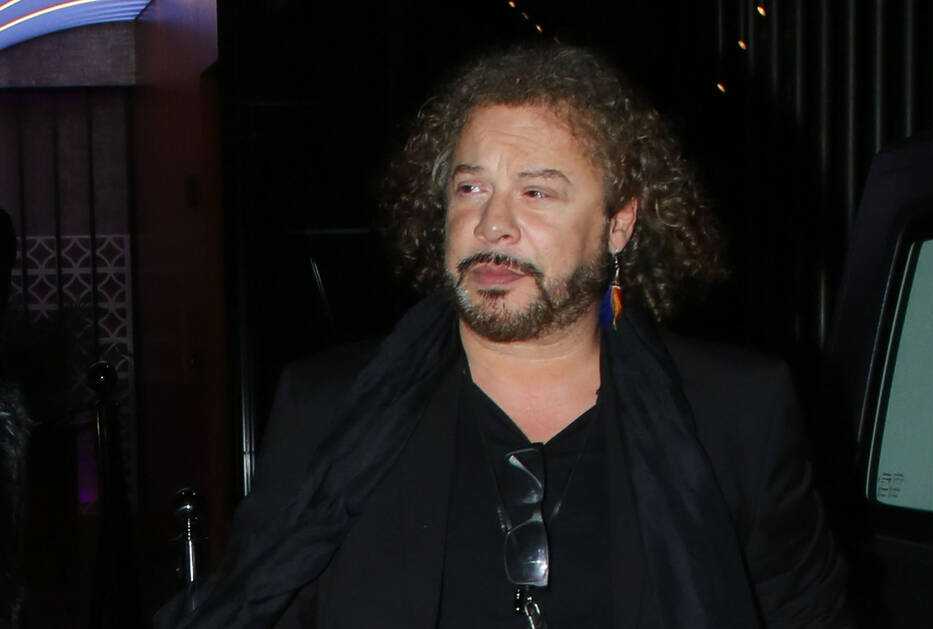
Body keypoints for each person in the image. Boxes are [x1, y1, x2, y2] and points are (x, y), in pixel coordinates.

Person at [159, 44, 850, 628]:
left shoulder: (735, 415)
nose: (492, 224)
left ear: (618, 224)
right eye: (470, 189)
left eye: (537, 192)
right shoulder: (327, 408)